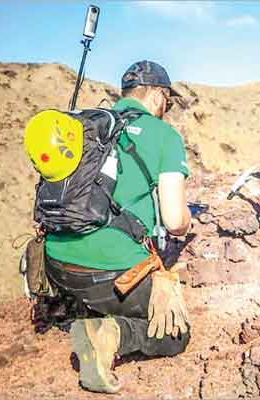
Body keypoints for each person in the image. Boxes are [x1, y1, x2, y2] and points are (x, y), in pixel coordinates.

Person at [38, 60, 192, 393]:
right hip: (106, 275)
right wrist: (188, 218)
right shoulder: (163, 133)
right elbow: (175, 222)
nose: (166, 108)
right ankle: (109, 335)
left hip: (55, 266)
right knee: (175, 331)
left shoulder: (87, 125)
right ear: (156, 95)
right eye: (167, 100)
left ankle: (76, 309)